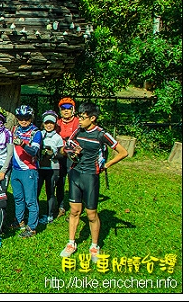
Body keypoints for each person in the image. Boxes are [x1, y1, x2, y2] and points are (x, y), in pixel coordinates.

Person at [59, 102, 128, 263]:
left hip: (91, 176)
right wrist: (71, 151)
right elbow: (67, 147)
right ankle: (71, 243)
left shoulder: (101, 134)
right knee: (75, 211)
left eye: (83, 118)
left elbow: (123, 152)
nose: (80, 121)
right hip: (75, 173)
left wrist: (105, 166)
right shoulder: (78, 131)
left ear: (93, 118)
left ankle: (94, 246)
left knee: (91, 214)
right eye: (79, 117)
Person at [9, 105, 41, 239]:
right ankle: (19, 220)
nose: (23, 121)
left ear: (31, 118)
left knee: (30, 200)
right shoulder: (14, 129)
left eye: (26, 118)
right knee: (18, 198)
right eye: (21, 118)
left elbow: (35, 151)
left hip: (29, 169)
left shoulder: (35, 132)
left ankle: (32, 227)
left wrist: (23, 144)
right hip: (15, 169)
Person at [37, 110, 65, 225]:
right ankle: (36, 213)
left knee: (50, 192)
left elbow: (62, 154)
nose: (49, 125)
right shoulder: (39, 134)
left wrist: (52, 154)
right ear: (43, 123)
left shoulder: (58, 138)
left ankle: (49, 215)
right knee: (36, 192)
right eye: (47, 123)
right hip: (39, 167)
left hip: (53, 168)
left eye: (51, 123)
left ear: (55, 125)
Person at [56, 97, 79, 219]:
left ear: (73, 110)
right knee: (59, 181)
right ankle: (60, 206)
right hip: (60, 155)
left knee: (73, 182)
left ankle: (74, 208)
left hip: (72, 156)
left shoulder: (77, 122)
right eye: (63, 108)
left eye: (68, 108)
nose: (66, 111)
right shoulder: (57, 122)